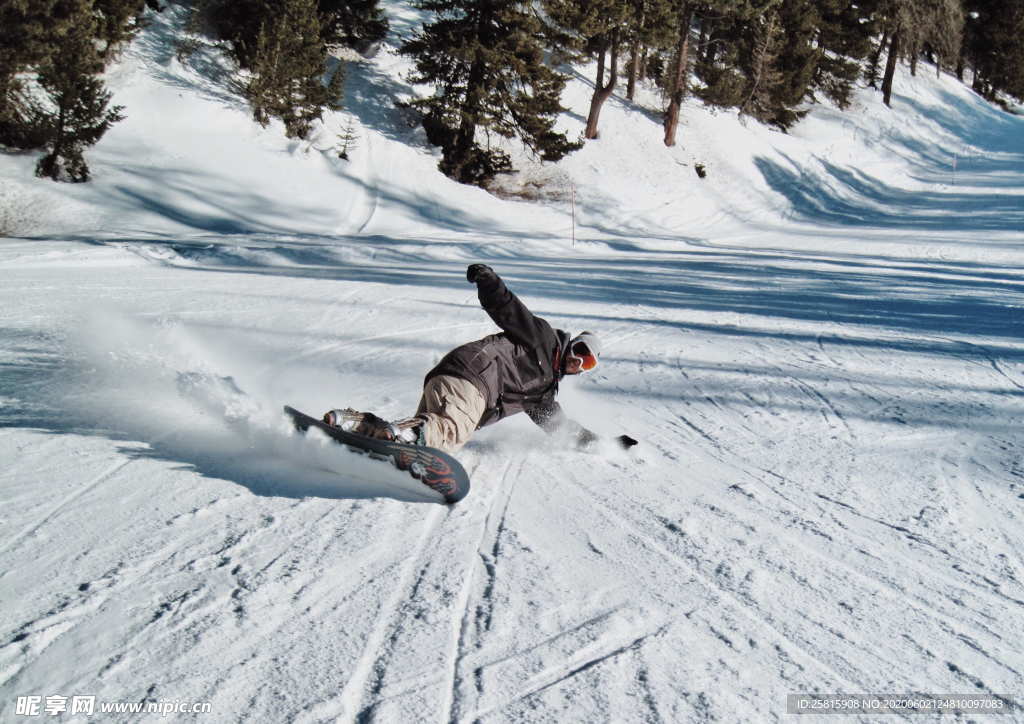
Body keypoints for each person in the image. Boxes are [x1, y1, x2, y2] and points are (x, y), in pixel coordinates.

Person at [323, 264, 636, 454]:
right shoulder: (542, 338)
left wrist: (607, 445)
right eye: (581, 352)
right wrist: (488, 280)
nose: (578, 363)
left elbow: (562, 429)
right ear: (572, 344)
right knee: (450, 434)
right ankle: (405, 433)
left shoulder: (542, 396)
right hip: (472, 378)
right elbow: (509, 309)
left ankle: (355, 424)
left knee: (423, 434)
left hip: (452, 379)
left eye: (588, 364)